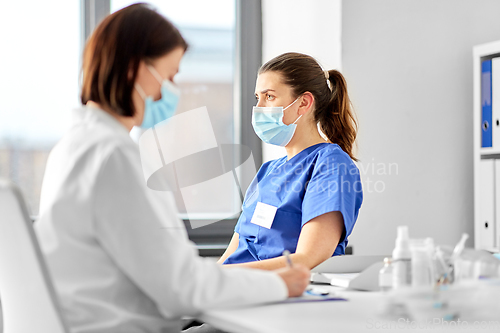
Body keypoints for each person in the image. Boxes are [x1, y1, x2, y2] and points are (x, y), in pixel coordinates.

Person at [35, 4, 309, 333]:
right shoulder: (113, 156)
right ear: (136, 69)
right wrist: (281, 285)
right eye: (169, 76)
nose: (171, 89)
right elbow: (182, 287)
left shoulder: (73, 146)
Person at [218, 53, 363, 270]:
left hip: (285, 293)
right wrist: (208, 278)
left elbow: (308, 258)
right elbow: (234, 252)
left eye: (269, 97)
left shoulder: (331, 164)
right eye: (257, 97)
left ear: (303, 103)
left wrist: (223, 276)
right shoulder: (268, 171)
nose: (259, 108)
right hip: (239, 288)